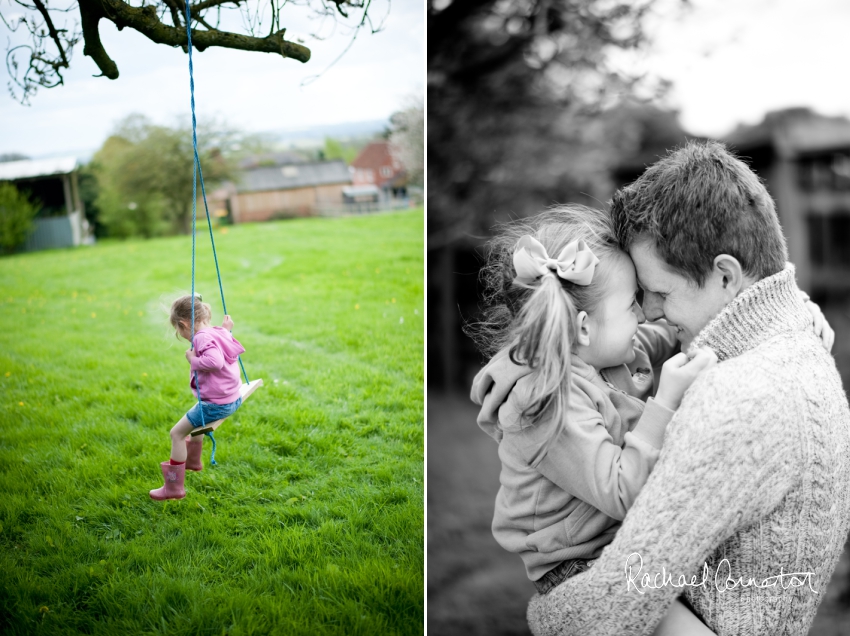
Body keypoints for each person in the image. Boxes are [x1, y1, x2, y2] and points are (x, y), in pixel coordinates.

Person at [527, 141, 850, 636]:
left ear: (725, 274)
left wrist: (544, 613)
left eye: (660, 292)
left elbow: (608, 608)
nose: (651, 312)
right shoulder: (802, 349)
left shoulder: (736, 395)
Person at [469, 205, 719, 635]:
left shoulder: (605, 346)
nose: (645, 315)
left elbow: (669, 330)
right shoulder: (547, 404)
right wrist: (668, 397)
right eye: (632, 306)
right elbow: (622, 490)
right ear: (583, 328)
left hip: (612, 539)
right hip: (578, 565)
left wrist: (771, 308)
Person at [149, 294, 245, 501]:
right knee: (198, 422)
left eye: (178, 329)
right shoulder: (217, 331)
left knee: (176, 434)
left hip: (217, 406)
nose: (179, 333)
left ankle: (173, 487)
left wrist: (193, 359)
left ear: (184, 324)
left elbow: (215, 361)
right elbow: (222, 344)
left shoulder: (200, 337)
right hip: (232, 398)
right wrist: (227, 330)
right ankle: (193, 461)